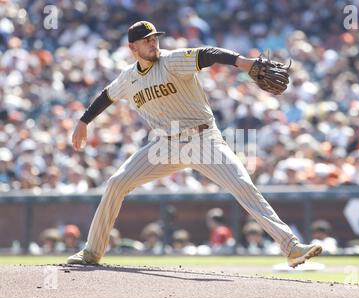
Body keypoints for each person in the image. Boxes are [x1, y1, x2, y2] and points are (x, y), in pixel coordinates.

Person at [67, 20, 322, 267]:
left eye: (155, 38)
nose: (154, 43)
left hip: (203, 139)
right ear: (132, 48)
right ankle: (92, 252)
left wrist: (244, 63)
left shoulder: (171, 60)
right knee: (116, 183)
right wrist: (83, 121)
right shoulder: (128, 78)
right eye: (147, 41)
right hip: (165, 145)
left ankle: (290, 247)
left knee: (242, 185)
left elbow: (207, 54)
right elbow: (106, 96)